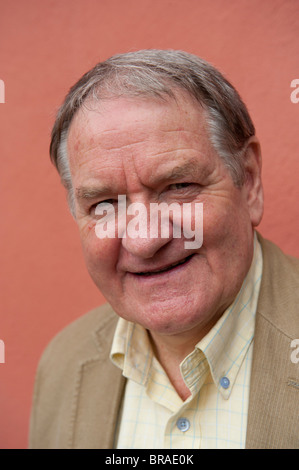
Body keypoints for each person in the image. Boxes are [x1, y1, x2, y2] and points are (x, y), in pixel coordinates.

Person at [29, 49, 299, 449]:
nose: (145, 240)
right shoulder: (63, 365)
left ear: (250, 180)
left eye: (178, 187)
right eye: (105, 204)